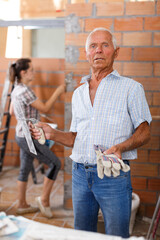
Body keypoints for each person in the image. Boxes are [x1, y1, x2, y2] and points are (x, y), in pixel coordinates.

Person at [30, 28, 152, 237]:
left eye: (105, 45)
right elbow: (75, 138)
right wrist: (52, 133)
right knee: (82, 234)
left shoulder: (131, 88)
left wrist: (121, 147)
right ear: (86, 53)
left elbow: (145, 131)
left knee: (116, 234)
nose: (98, 51)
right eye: (93, 46)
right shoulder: (78, 93)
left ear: (116, 52)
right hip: (79, 175)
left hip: (113, 177)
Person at [9, 58, 65, 218]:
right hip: (30, 136)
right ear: (23, 73)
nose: (34, 72)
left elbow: (12, 112)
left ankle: (21, 205)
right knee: (55, 163)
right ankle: (44, 200)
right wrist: (59, 90)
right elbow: (46, 107)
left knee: (24, 169)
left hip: (20, 134)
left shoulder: (16, 89)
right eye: (31, 70)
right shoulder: (26, 91)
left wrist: (26, 115)